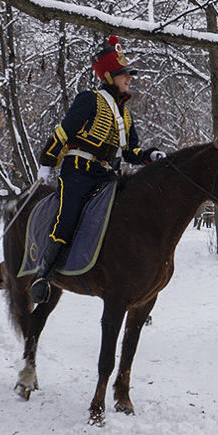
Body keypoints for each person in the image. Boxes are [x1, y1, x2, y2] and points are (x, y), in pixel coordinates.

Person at [29, 35, 165, 304]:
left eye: (128, 74)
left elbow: (130, 152)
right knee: (67, 218)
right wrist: (47, 162)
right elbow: (63, 133)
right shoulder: (89, 99)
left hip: (107, 176)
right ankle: (42, 277)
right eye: (123, 74)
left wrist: (150, 155)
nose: (129, 78)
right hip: (78, 172)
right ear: (108, 75)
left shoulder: (125, 114)